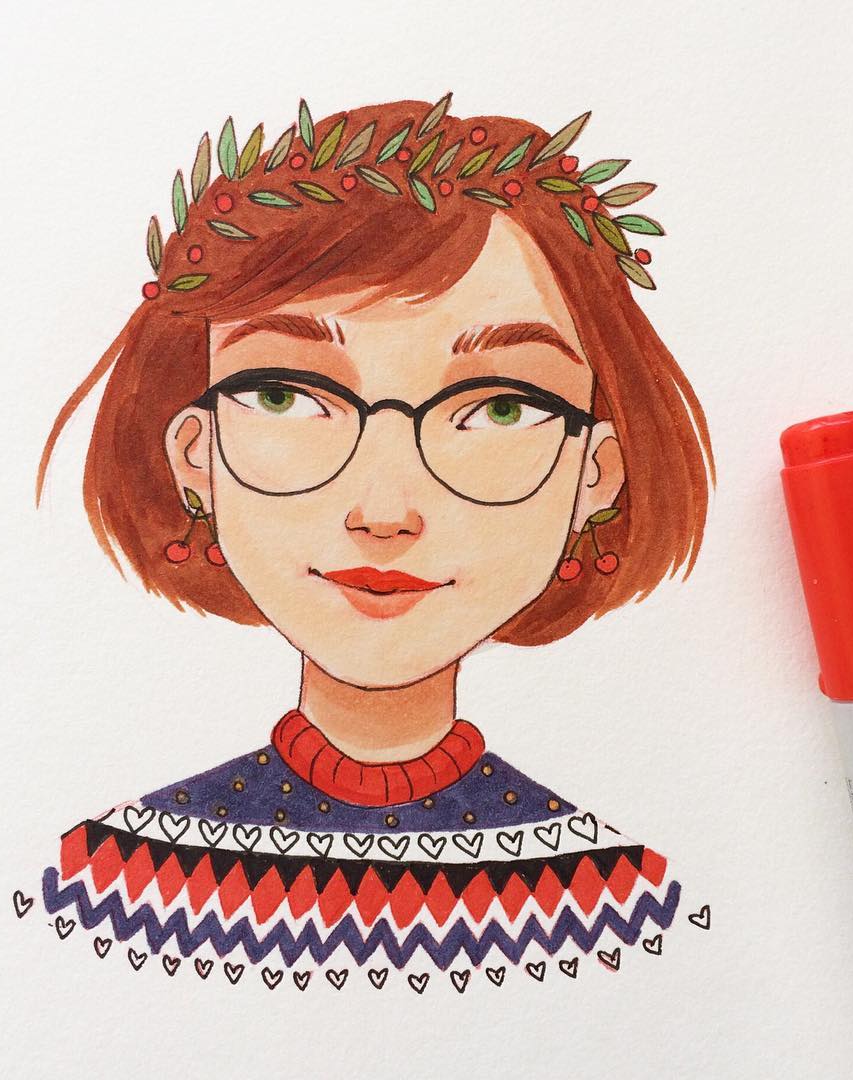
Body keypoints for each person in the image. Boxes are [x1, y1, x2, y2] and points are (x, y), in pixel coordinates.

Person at [35, 94, 714, 986]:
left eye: (499, 407)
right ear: (195, 455)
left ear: (596, 472)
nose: (385, 510)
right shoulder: (94, 889)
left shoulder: (637, 909)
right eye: (285, 394)